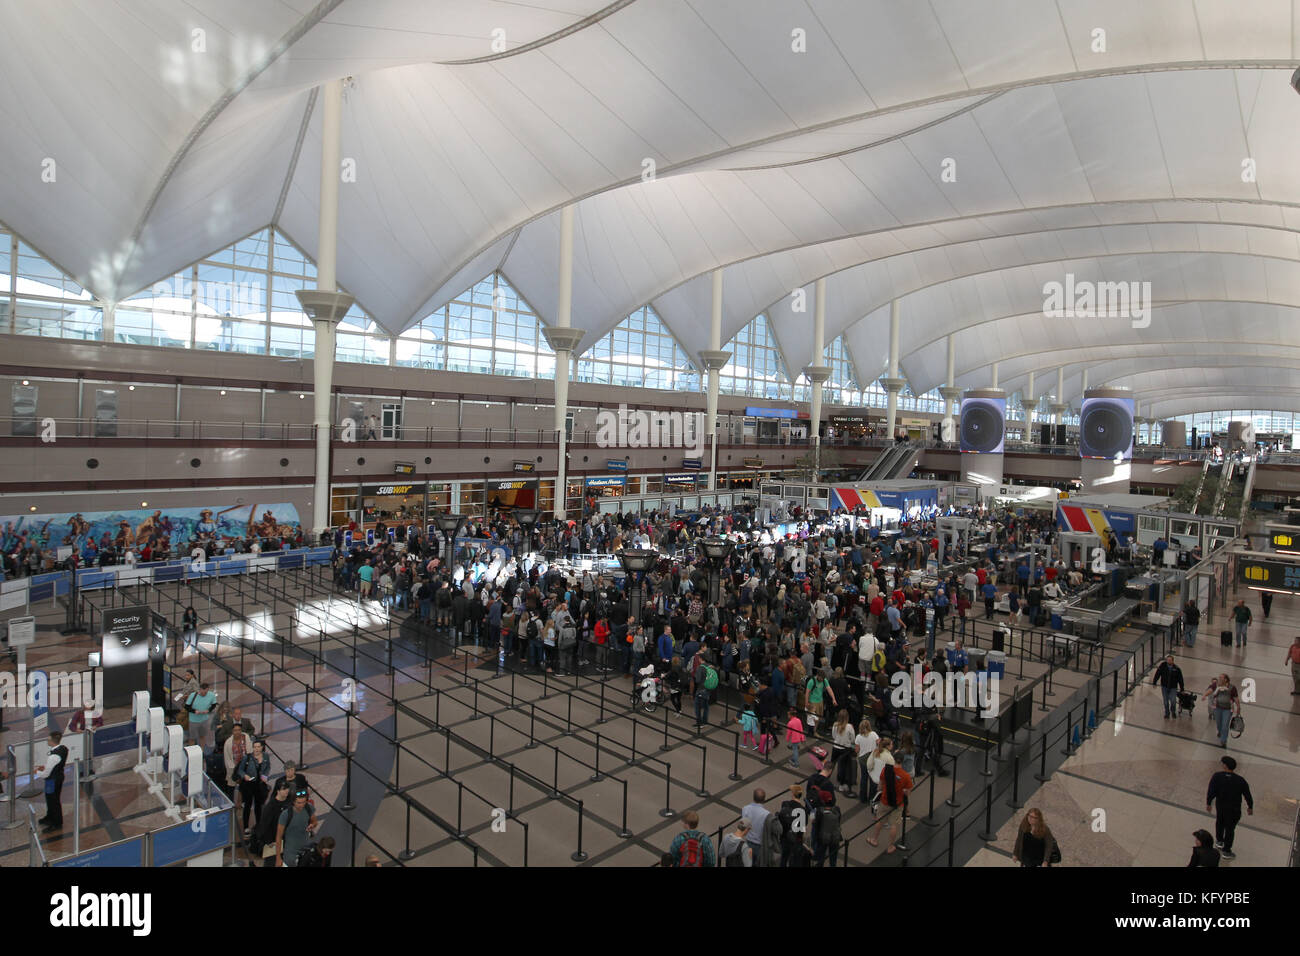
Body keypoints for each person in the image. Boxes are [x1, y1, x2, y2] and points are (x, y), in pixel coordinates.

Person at [1206, 756, 1253, 861]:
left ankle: (1219, 841)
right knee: (1230, 829)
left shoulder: (1217, 776)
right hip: (1234, 809)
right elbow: (1247, 794)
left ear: (1225, 766)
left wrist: (1209, 803)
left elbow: (1211, 790)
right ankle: (1227, 851)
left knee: (1220, 822)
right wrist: (1250, 806)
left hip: (1221, 806)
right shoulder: (1240, 780)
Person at [873, 760, 912, 854]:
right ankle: (890, 846)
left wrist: (879, 790)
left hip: (885, 801)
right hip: (898, 804)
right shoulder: (906, 775)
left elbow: (880, 784)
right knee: (894, 825)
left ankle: (874, 839)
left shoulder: (886, 770)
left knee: (879, 820)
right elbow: (908, 792)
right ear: (902, 761)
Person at [34, 731, 69, 833]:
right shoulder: (62, 748)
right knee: (50, 798)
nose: (47, 741)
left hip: (52, 780)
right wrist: (45, 768)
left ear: (52, 741)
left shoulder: (53, 756)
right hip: (58, 776)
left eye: (48, 739)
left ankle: (56, 822)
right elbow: (53, 766)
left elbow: (46, 774)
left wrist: (37, 772)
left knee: (53, 800)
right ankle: (49, 817)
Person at [236, 739, 271, 836]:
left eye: (258, 747)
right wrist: (245, 776)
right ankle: (246, 827)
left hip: (259, 784)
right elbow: (240, 770)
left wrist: (265, 775)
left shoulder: (266, 756)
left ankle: (259, 825)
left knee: (258, 806)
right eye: (255, 747)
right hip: (249, 784)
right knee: (247, 805)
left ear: (262, 747)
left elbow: (267, 767)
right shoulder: (247, 758)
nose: (256, 749)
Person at [275, 790, 319, 867]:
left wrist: (312, 825)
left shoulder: (309, 807)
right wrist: (278, 858)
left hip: (306, 849)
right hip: (290, 853)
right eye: (299, 803)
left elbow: (314, 821)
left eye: (304, 802)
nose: (302, 805)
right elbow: (278, 837)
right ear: (293, 802)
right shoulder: (285, 815)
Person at [1202, 673, 1240, 748]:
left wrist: (1238, 707)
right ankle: (1220, 732)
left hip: (1228, 709)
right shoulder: (1216, 685)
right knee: (1219, 723)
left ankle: (1223, 740)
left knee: (1225, 725)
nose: (1219, 679)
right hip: (1217, 708)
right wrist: (1204, 695)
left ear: (1225, 679)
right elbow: (1210, 690)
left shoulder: (1232, 687)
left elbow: (1236, 698)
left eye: (1221, 678)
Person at [741, 788, 770, 864]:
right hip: (759, 845)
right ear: (764, 799)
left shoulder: (745, 809)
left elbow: (743, 825)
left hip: (748, 842)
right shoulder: (767, 814)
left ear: (753, 797)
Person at [185, 681, 218, 750]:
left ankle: (201, 751)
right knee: (192, 737)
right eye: (203, 692)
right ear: (200, 690)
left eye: (206, 692)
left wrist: (208, 710)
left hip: (204, 720)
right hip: (193, 720)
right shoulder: (193, 695)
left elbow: (214, 704)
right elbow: (187, 707)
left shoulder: (211, 695)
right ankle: (191, 751)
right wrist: (195, 711)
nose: (205, 694)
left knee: (202, 736)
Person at [1152, 654, 1185, 720]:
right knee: (1165, 701)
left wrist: (1182, 689)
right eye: (1167, 660)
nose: (1168, 661)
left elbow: (1180, 679)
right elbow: (1158, 673)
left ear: (1173, 661)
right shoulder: (1162, 666)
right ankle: (1167, 713)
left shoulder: (1177, 669)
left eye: (1170, 660)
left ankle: (1173, 711)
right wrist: (1154, 682)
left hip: (1173, 687)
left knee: (1173, 701)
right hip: (1164, 687)